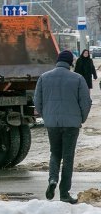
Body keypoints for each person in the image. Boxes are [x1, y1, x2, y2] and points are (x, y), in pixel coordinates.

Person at [34, 50, 92, 204]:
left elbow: (37, 101)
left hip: (52, 123)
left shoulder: (44, 77)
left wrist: (46, 116)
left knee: (54, 153)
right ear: (70, 62)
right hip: (72, 125)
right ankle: (64, 193)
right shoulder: (78, 78)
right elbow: (86, 102)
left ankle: (53, 179)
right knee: (68, 157)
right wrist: (81, 119)